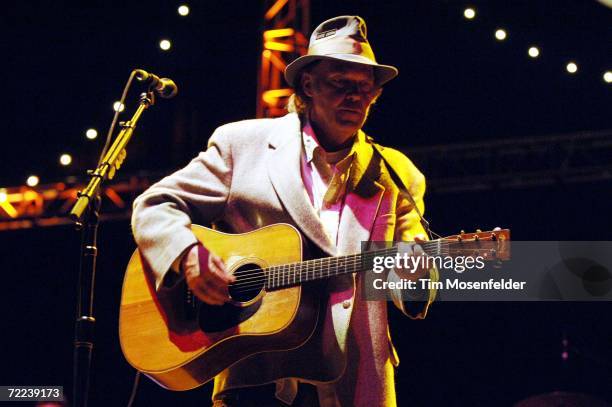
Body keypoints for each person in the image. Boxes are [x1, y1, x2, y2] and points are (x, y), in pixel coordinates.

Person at [132, 15, 437, 406]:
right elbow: (154, 204)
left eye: (366, 87)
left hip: (355, 381)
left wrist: (413, 274)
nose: (356, 97)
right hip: (254, 375)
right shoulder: (242, 145)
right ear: (307, 84)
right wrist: (188, 255)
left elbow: (407, 281)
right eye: (341, 84)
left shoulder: (398, 174)